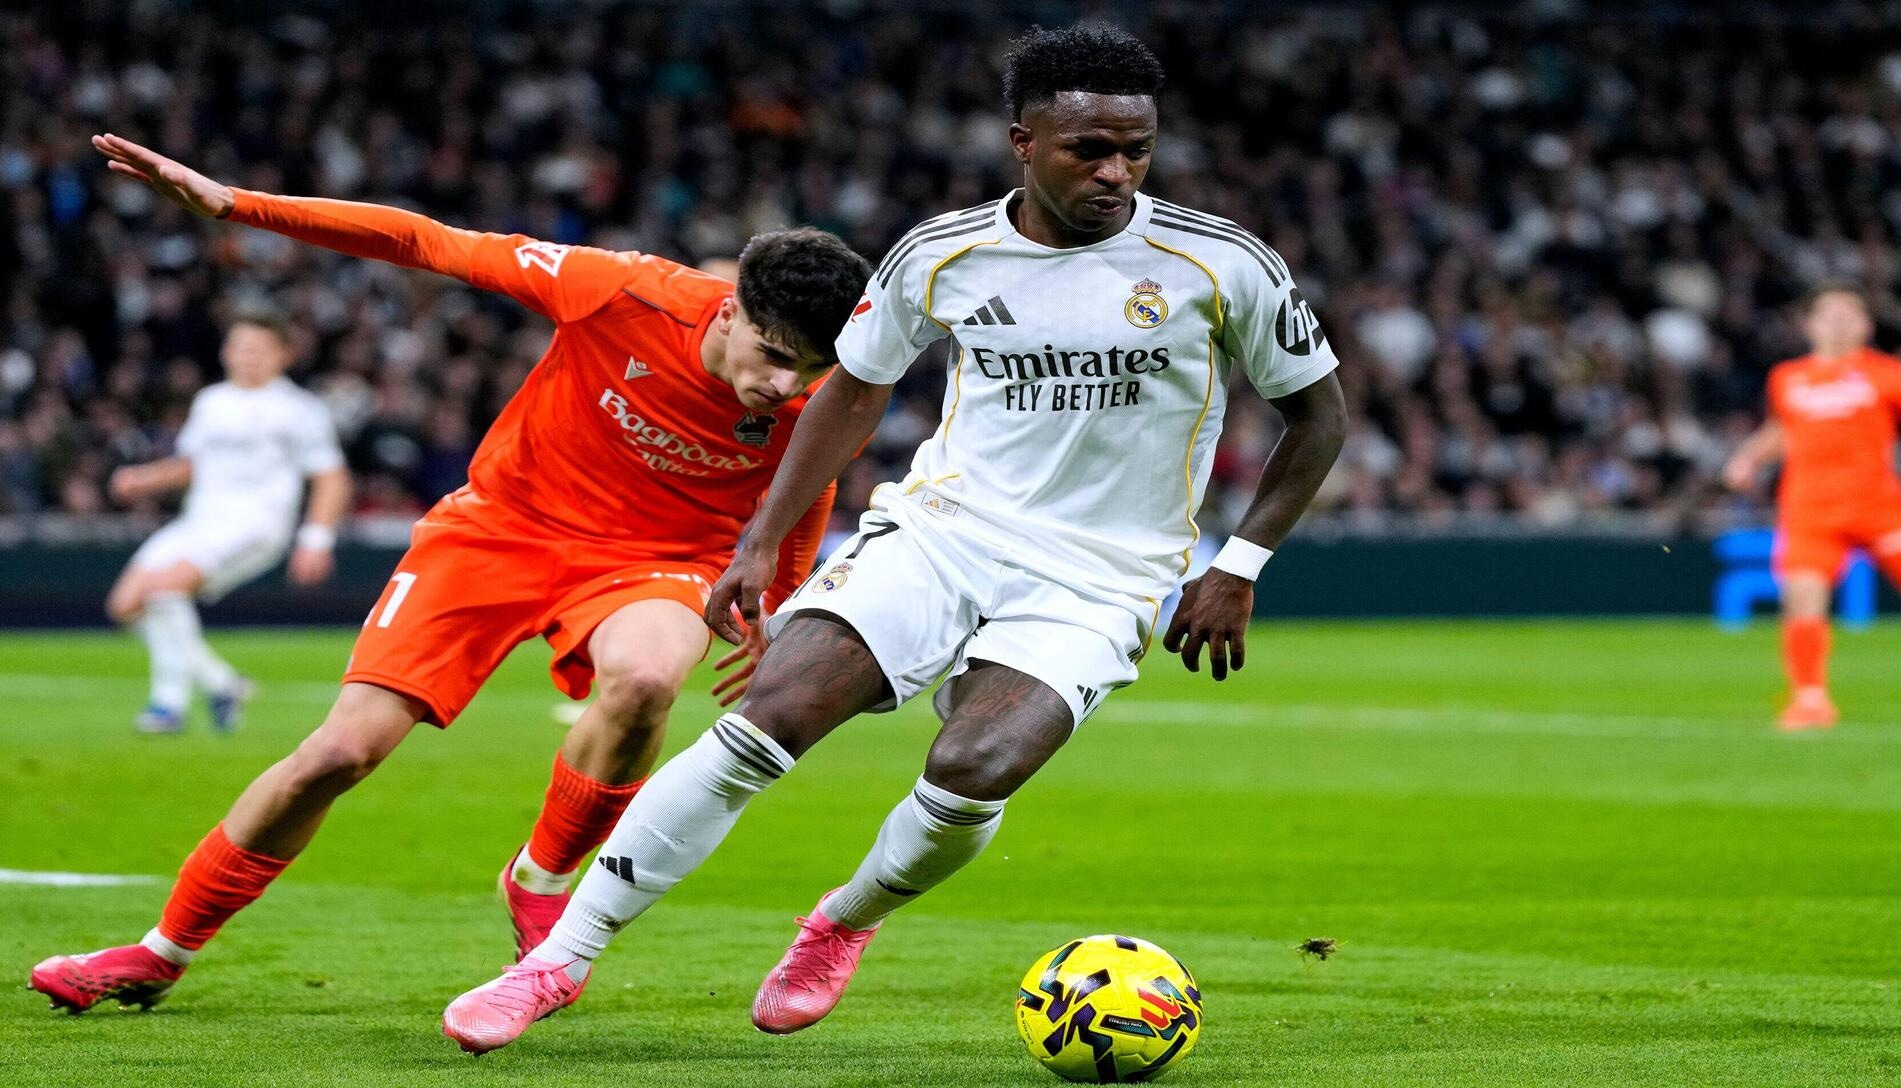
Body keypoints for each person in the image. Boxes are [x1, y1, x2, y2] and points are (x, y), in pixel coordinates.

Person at [441, 24, 1347, 1053]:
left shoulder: (1218, 262)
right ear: (1023, 140)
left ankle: (843, 921)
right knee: (773, 710)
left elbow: (1318, 415)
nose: (1116, 172)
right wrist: (760, 541)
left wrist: (1239, 564)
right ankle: (556, 959)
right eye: (1087, 149)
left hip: (1106, 573)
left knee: (977, 763)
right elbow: (852, 394)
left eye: (1135, 150)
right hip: (945, 530)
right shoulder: (942, 251)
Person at [30, 134, 870, 1014]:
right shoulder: (620, 289)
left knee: (649, 675)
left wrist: (780, 600)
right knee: (339, 753)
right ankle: (160, 951)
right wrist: (238, 203)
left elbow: (813, 479)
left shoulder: (830, 388)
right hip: (497, 530)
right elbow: (425, 240)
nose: (788, 387)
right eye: (776, 357)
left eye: (809, 369)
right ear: (731, 312)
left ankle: (539, 879)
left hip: (656, 561)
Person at [106, 309, 349, 734]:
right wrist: (143, 480)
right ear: (226, 352)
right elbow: (190, 465)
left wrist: (316, 538)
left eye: (259, 349)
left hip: (257, 523)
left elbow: (331, 476)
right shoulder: (211, 401)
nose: (248, 356)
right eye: (240, 347)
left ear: (282, 356)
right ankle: (223, 684)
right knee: (125, 604)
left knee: (166, 589)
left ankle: (168, 706)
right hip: (201, 520)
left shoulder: (299, 409)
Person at [1723, 286, 1901, 730]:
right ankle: (1810, 700)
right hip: (1810, 509)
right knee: (1803, 598)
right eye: (1829, 314)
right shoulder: (1787, 377)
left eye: (1850, 314)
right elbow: (1781, 430)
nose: (1839, 322)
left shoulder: (1886, 374)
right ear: (1810, 324)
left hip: (1880, 507)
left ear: (1866, 326)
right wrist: (1748, 458)